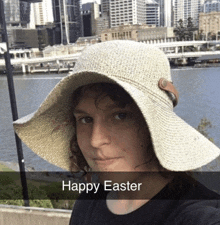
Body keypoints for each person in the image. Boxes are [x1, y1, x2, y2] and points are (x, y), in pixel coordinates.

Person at [13, 41, 220, 224]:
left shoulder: (196, 215)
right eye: (85, 119)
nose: (95, 141)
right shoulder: (88, 203)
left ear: (154, 128)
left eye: (120, 116)